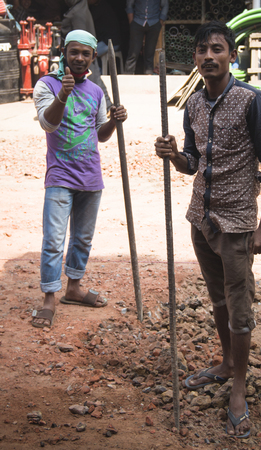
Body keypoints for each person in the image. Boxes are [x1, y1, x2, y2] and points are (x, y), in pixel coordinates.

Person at [155, 21, 261, 438]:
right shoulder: (193, 104)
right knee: (217, 299)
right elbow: (193, 162)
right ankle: (227, 362)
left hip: (236, 225)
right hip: (202, 219)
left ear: (233, 55)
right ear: (194, 59)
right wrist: (175, 156)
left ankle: (238, 387)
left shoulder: (252, 100)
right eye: (201, 50)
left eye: (217, 49)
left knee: (240, 306)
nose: (208, 56)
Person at [32, 29, 127, 329]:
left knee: (82, 239)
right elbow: (48, 124)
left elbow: (100, 134)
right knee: (54, 241)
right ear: (64, 52)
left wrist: (114, 120)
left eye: (86, 53)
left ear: (92, 57)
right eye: (74, 52)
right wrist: (63, 94)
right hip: (59, 175)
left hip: (90, 176)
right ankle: (49, 297)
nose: (79, 58)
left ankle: (73, 287)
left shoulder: (97, 90)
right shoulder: (46, 84)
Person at [62, 0, 113, 110]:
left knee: (93, 79)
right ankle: (107, 106)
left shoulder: (77, 13)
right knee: (95, 78)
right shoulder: (80, 8)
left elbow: (80, 39)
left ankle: (107, 106)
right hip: (85, 53)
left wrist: (80, 54)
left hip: (82, 54)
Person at [125, 0, 168, 74]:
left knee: (150, 53)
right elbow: (129, 4)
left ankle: (149, 76)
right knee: (133, 53)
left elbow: (165, 5)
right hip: (137, 22)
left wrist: (160, 21)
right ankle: (128, 76)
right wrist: (131, 22)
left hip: (154, 23)